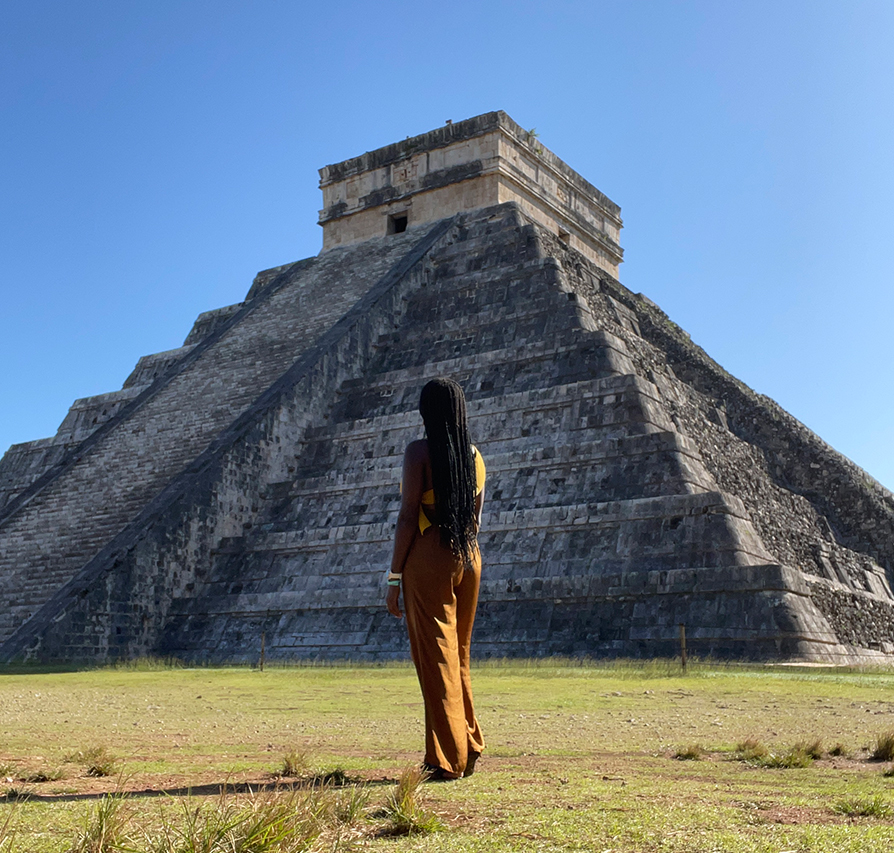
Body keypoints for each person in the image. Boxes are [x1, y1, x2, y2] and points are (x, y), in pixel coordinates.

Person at [385, 378, 486, 780]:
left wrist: (394, 577)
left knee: (435, 658)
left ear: (426, 412)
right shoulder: (476, 456)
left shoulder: (419, 452)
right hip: (469, 554)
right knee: (457, 655)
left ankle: (446, 759)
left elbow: (409, 516)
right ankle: (469, 744)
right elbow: (475, 519)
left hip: (430, 553)